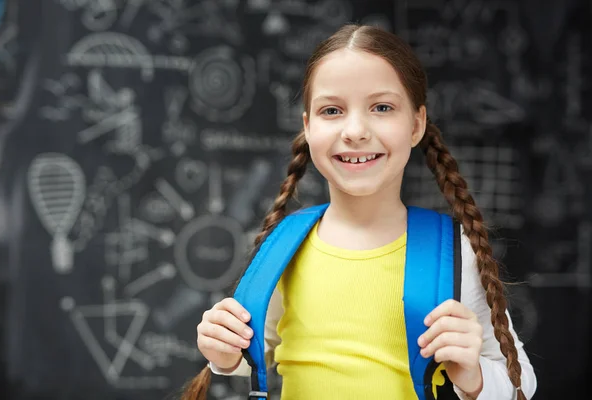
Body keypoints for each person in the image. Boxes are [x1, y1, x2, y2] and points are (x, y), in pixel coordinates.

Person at [181, 23, 537, 400]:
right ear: (308, 126)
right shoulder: (285, 245)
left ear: (416, 125)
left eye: (382, 107)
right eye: (332, 110)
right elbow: (251, 354)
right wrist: (223, 351)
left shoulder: (448, 252)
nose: (355, 130)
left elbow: (520, 386)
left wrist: (474, 374)